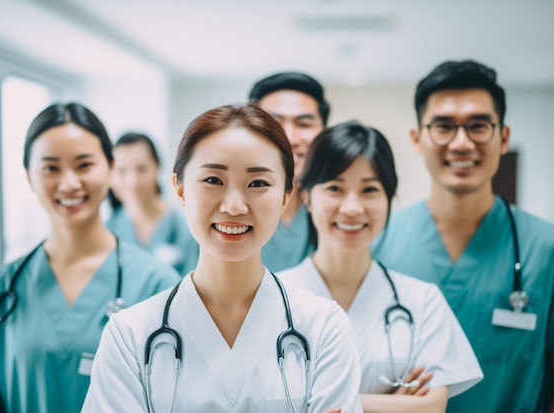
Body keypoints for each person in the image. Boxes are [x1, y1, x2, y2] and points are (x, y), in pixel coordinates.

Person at [81, 103, 363, 412]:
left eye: (258, 183)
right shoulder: (128, 336)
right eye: (213, 180)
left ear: (285, 195)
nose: (234, 206)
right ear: (180, 188)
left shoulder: (325, 328)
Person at [373, 60, 554, 412]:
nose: (462, 143)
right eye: (443, 127)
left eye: (478, 126)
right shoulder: (377, 243)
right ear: (417, 139)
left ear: (504, 138)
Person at [0, 103, 180, 413]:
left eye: (84, 165)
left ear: (111, 169)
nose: (69, 183)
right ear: (29, 176)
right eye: (51, 167)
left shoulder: (158, 285)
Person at [279, 121, 483, 412]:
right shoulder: (271, 296)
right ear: (307, 197)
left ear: (388, 199)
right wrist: (393, 404)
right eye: (335, 188)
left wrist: (313, 400)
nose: (352, 208)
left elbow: (431, 407)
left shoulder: (421, 301)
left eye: (370, 190)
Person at [248, 72, 328, 272]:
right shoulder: (229, 207)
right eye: (274, 123)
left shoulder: (337, 208)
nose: (290, 138)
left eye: (304, 124)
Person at [107, 132, 199, 276]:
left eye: (141, 169)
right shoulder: (108, 231)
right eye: (122, 170)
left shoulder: (186, 228)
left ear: (157, 167)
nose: (133, 182)